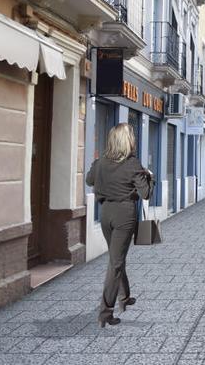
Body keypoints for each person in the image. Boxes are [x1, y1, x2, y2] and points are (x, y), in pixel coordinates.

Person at [86, 123, 154, 328]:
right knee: (116, 262)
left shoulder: (100, 162)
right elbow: (146, 193)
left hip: (105, 213)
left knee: (116, 258)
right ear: (128, 141)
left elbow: (90, 180)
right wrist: (149, 177)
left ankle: (124, 298)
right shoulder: (132, 163)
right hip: (125, 214)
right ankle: (105, 312)